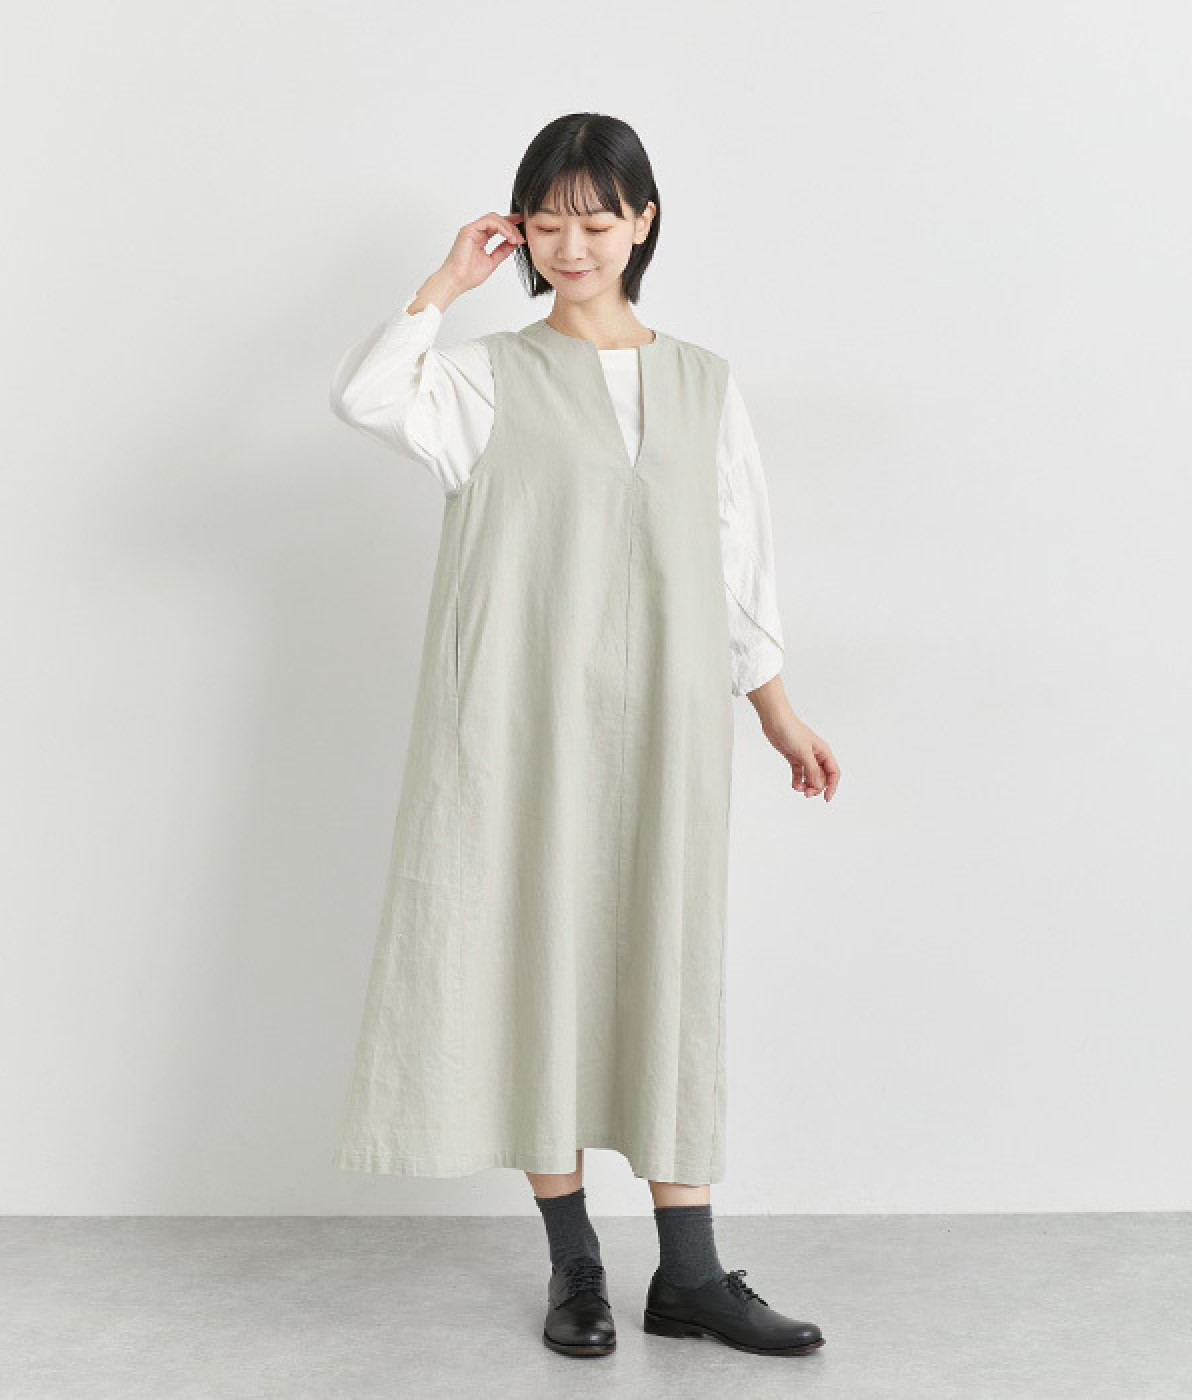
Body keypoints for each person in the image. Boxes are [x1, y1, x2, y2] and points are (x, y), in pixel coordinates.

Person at [329, 113, 841, 1360]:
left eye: (597, 218)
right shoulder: (483, 378)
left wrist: (777, 710)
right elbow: (365, 395)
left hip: (669, 724)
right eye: (548, 220)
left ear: (643, 222)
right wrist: (445, 284)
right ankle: (576, 1267)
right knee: (540, 963)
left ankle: (693, 1276)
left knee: (668, 962)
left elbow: (740, 561)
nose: (572, 244)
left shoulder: (704, 381)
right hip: (521, 727)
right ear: (521, 229)